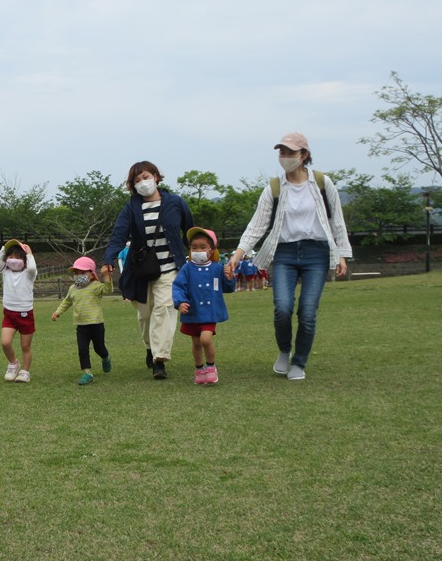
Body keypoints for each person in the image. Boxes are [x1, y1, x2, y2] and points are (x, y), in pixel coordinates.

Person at [225, 133, 352, 381]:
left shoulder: (322, 183)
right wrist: (238, 255)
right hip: (284, 252)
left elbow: (337, 219)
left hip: (316, 252)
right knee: (282, 308)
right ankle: (284, 350)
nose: (285, 157)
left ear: (304, 155)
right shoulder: (274, 187)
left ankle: (299, 362)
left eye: (290, 153)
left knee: (307, 311)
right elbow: (257, 225)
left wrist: (342, 255)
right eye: (281, 152)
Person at [101, 160, 194, 380]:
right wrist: (109, 258)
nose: (143, 182)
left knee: (165, 309)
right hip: (140, 270)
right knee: (145, 316)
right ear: (133, 185)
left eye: (146, 176)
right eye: (137, 180)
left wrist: (197, 253)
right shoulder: (131, 207)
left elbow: (190, 231)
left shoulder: (176, 203)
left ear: (156, 176)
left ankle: (159, 360)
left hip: (170, 268)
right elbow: (119, 234)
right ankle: (149, 347)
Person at [172, 228, 236, 385]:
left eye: (202, 247)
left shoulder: (217, 268)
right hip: (192, 312)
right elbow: (178, 286)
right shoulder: (187, 268)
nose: (198, 250)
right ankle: (199, 369)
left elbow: (227, 288)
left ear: (211, 250)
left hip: (209, 312)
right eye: (194, 247)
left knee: (206, 339)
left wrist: (229, 278)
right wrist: (180, 302)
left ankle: (211, 367)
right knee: (196, 343)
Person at [51, 256, 114, 385]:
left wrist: (107, 276)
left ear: (91, 275)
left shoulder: (95, 286)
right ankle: (87, 373)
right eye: (76, 273)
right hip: (81, 326)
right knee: (82, 349)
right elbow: (67, 302)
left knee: (99, 348)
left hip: (96, 324)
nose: (78, 275)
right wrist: (58, 312)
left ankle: (106, 357)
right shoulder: (73, 289)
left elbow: (108, 290)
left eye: (82, 272)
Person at [0, 239, 37, 382]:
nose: (14, 261)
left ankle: (25, 371)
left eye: (18, 258)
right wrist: (5, 247)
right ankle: (13, 363)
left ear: (25, 261)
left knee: (25, 346)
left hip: (26, 314)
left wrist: (29, 253)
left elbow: (32, 268)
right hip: (9, 314)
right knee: (5, 343)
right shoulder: (5, 271)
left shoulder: (29, 274)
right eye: (11, 257)